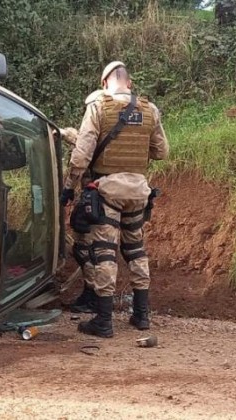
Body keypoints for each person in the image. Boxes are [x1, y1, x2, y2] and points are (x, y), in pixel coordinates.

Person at [60, 61, 169, 338]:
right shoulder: (149, 110)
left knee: (104, 251)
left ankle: (104, 321)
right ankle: (142, 316)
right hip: (138, 191)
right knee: (136, 251)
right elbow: (161, 152)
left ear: (103, 83)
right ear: (129, 83)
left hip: (107, 191)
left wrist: (69, 186)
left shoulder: (98, 107)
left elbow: (82, 156)